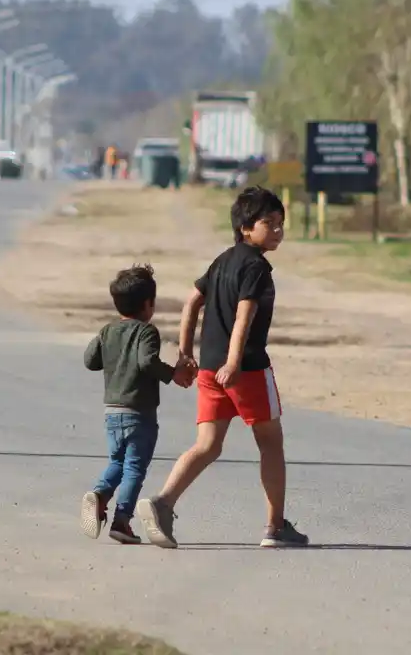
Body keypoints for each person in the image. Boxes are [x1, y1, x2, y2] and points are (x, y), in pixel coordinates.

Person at [136, 186, 309, 549]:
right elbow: (246, 312)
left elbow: (192, 301)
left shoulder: (222, 260)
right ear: (246, 227)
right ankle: (275, 527)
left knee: (207, 445)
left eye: (281, 223)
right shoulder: (256, 267)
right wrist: (234, 361)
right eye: (268, 222)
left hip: (210, 371)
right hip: (244, 369)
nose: (277, 230)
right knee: (271, 443)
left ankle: (163, 502)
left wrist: (186, 353)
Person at [81, 264, 194, 544]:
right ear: (148, 304)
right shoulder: (147, 332)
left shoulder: (107, 331)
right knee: (134, 468)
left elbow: (90, 360)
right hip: (139, 414)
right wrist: (173, 374)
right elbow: (146, 362)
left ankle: (99, 495)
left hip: (112, 413)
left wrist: (107, 345)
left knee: (117, 462)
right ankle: (121, 521)